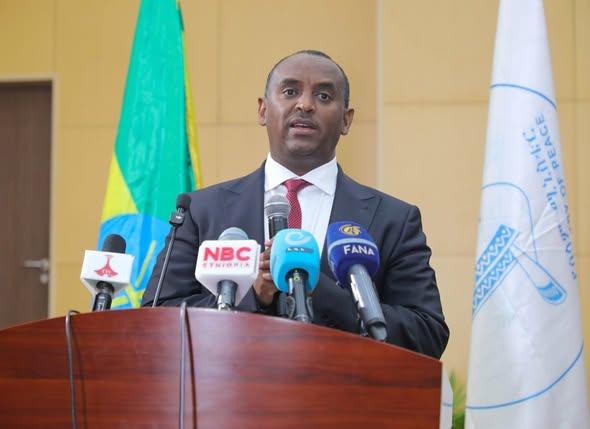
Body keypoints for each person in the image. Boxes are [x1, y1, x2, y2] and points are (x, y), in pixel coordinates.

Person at [141, 50, 449, 359]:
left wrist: (319, 290)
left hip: (342, 387)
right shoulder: (201, 210)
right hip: (231, 387)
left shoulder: (393, 219)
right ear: (263, 110)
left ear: (346, 120)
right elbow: (157, 319)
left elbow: (427, 333)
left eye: (324, 96)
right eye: (290, 92)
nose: (305, 104)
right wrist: (252, 296)